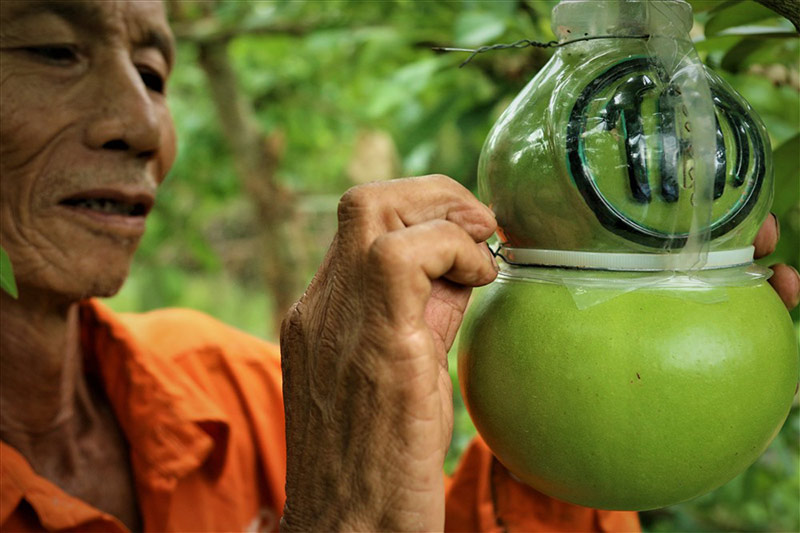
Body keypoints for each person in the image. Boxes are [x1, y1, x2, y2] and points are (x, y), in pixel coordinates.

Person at [0, 1, 797, 532]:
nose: (143, 124)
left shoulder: (238, 389)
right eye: (53, 50)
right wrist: (338, 514)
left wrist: (608, 410)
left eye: (154, 73)